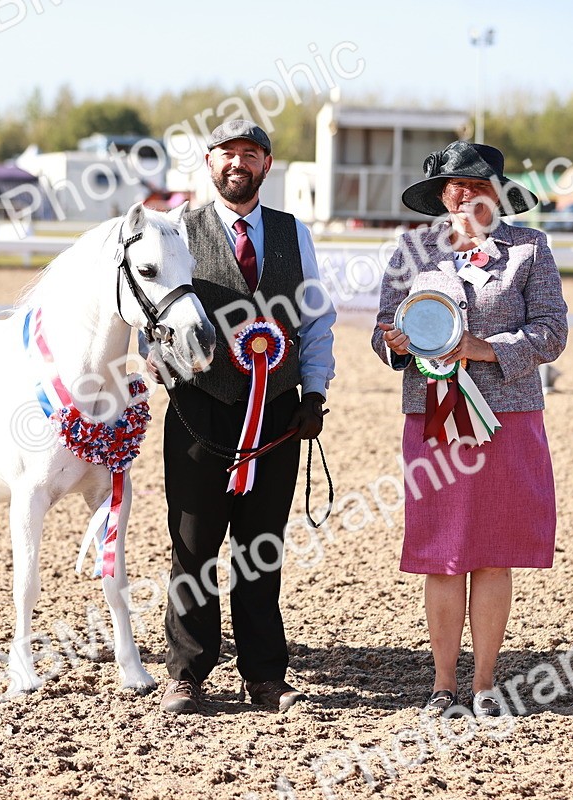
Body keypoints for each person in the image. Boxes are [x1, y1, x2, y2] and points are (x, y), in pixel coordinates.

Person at [371, 141, 567, 717]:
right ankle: (442, 684)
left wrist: (480, 349)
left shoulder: (530, 248)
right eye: (453, 185)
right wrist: (395, 343)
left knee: (493, 553)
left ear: (499, 193)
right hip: (434, 414)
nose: (462, 194)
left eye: (476, 184)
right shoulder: (411, 249)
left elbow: (552, 333)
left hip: (507, 417)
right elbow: (385, 326)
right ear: (439, 194)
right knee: (441, 553)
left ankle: (483, 684)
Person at [147, 119, 336, 714]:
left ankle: (264, 675)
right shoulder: (179, 229)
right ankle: (188, 671)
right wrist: (161, 363)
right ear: (209, 164)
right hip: (201, 408)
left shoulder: (293, 234)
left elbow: (316, 319)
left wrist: (313, 392)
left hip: (278, 412)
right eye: (227, 154)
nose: (238, 163)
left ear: (266, 165)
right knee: (194, 544)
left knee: (261, 546)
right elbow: (154, 313)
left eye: (250, 154)